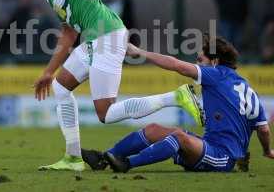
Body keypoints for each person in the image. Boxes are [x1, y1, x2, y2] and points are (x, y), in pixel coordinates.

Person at [21, 0, 204, 171]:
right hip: (93, 38)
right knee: (61, 87)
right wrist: (48, 72)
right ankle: (73, 158)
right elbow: (68, 32)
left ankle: (175, 97)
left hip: (106, 36)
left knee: (105, 113)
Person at [82, 35, 274, 173]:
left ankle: (127, 164)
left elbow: (176, 65)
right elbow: (264, 130)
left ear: (214, 62)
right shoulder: (248, 89)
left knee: (179, 137)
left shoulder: (215, 75)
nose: (196, 64)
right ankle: (104, 158)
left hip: (222, 158)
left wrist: (140, 52)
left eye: (200, 60)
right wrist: (267, 151)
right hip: (210, 146)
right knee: (154, 129)